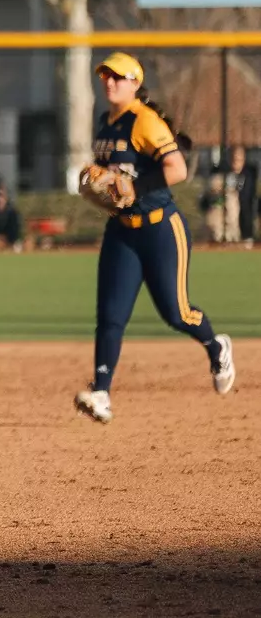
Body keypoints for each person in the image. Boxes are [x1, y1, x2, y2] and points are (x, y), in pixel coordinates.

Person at [74, 52, 236, 424]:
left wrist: (136, 186)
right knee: (110, 317)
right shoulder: (106, 122)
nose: (109, 82)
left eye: (118, 77)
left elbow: (177, 168)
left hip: (161, 228)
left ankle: (216, 346)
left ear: (134, 82)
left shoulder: (143, 121)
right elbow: (112, 178)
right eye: (106, 76)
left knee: (176, 313)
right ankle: (101, 393)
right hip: (121, 231)